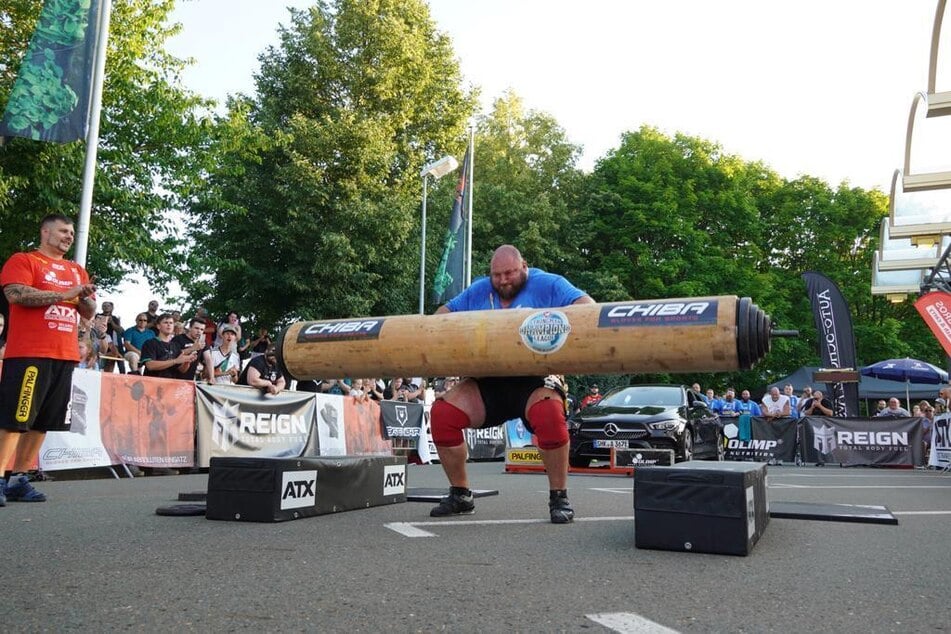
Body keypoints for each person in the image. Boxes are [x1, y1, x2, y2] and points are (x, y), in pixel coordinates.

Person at [428, 245, 594, 524]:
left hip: (534, 379)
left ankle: (559, 497)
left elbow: (587, 308)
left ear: (524, 266)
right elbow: (440, 316)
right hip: (488, 381)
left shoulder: (549, 284)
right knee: (443, 414)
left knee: (549, 416)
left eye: (509, 273)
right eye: (496, 275)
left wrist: (553, 329)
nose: (503, 280)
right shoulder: (479, 290)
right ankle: (460, 494)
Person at [0, 214, 97, 505]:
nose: (69, 236)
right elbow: (15, 294)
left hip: (65, 355)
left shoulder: (76, 270)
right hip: (30, 352)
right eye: (63, 231)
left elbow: (88, 312)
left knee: (43, 421)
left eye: (71, 233)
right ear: (45, 231)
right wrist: (64, 293)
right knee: (16, 418)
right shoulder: (25, 260)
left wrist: (84, 297)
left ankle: (19, 478)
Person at [141, 313, 199, 379]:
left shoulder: (176, 345)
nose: (169, 325)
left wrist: (187, 361)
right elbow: (150, 365)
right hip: (153, 384)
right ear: (158, 326)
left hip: (171, 385)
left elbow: (182, 370)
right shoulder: (150, 343)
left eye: (171, 323)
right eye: (166, 322)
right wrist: (175, 361)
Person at [171, 317, 207, 381]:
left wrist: (211, 376)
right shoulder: (178, 339)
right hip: (173, 377)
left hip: (189, 380)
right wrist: (192, 348)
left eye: (202, 329)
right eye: (196, 328)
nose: (199, 331)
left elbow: (208, 359)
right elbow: (173, 354)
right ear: (190, 328)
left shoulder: (202, 343)